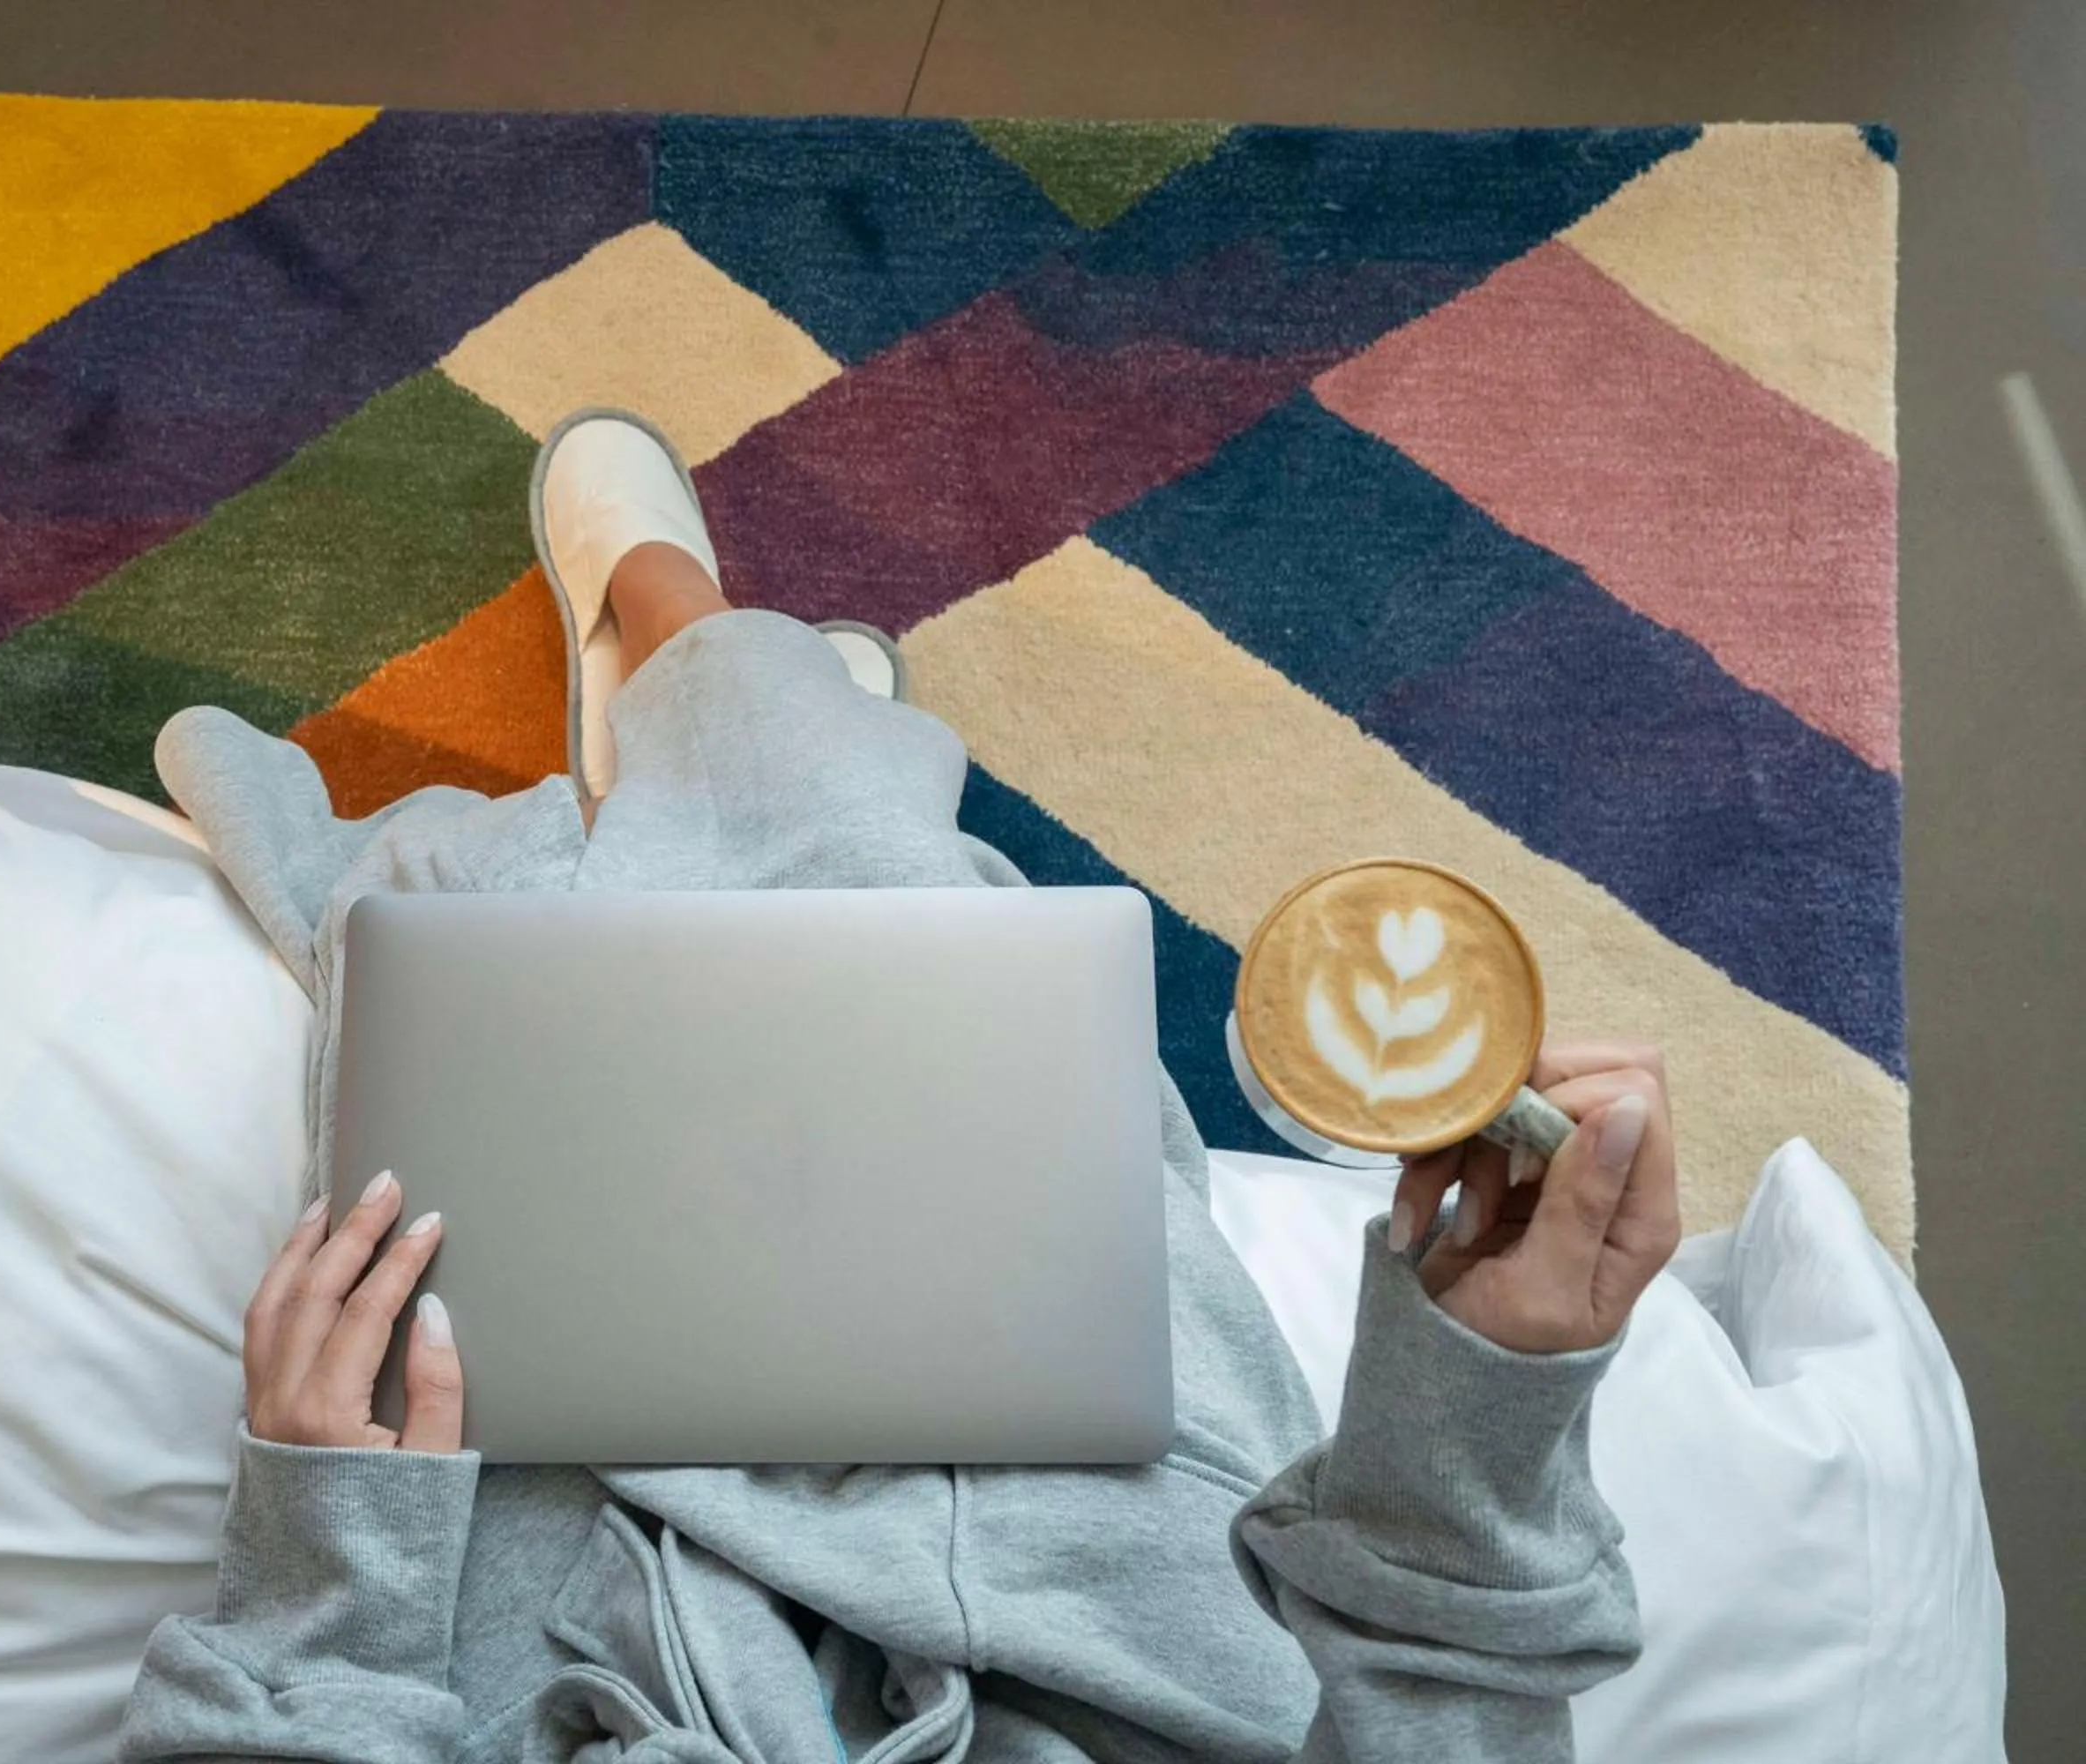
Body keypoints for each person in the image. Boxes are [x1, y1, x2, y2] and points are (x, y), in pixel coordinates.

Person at [116, 412, 1680, 1763]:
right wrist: (1487, 1400)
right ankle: (700, 656)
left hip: (576, 1658)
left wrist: (326, 1588)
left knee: (457, 959)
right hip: (1113, 1611)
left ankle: (694, 697)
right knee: (894, 904)